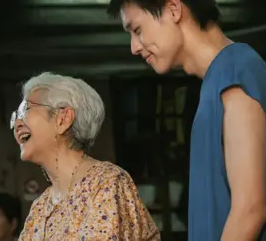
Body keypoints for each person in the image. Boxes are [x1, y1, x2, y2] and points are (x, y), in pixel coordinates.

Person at [107, 0, 266, 240]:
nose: (133, 47)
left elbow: (250, 211)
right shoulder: (221, 80)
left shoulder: (235, 77)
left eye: (137, 30)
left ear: (173, 8)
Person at [11, 72, 160, 240]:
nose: (17, 124)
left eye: (26, 110)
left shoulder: (106, 183)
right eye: (15, 116)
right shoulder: (40, 207)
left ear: (63, 119)